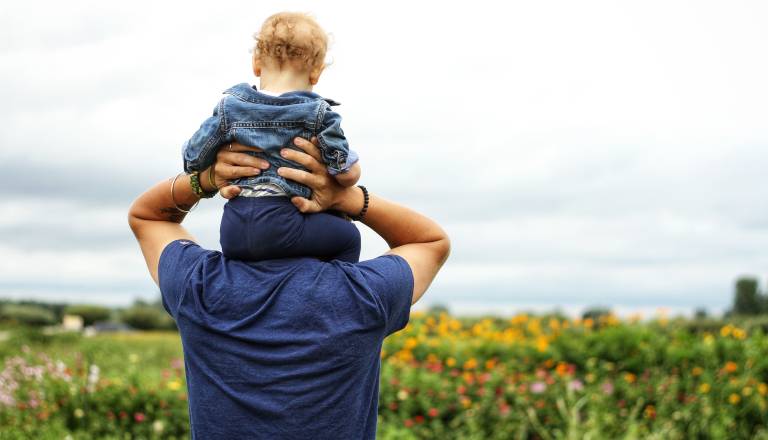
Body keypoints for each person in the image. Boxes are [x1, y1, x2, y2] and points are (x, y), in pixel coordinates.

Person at [128, 138, 450, 439]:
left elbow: (148, 217)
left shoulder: (200, 286)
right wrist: (349, 198)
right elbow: (430, 241)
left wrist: (208, 179)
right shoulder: (363, 295)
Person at [182, 12, 362, 263]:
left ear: (256, 63)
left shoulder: (229, 108)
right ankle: (336, 293)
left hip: (233, 229)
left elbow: (193, 158)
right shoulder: (319, 113)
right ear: (316, 73)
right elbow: (344, 173)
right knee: (348, 237)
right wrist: (351, 171)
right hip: (285, 224)